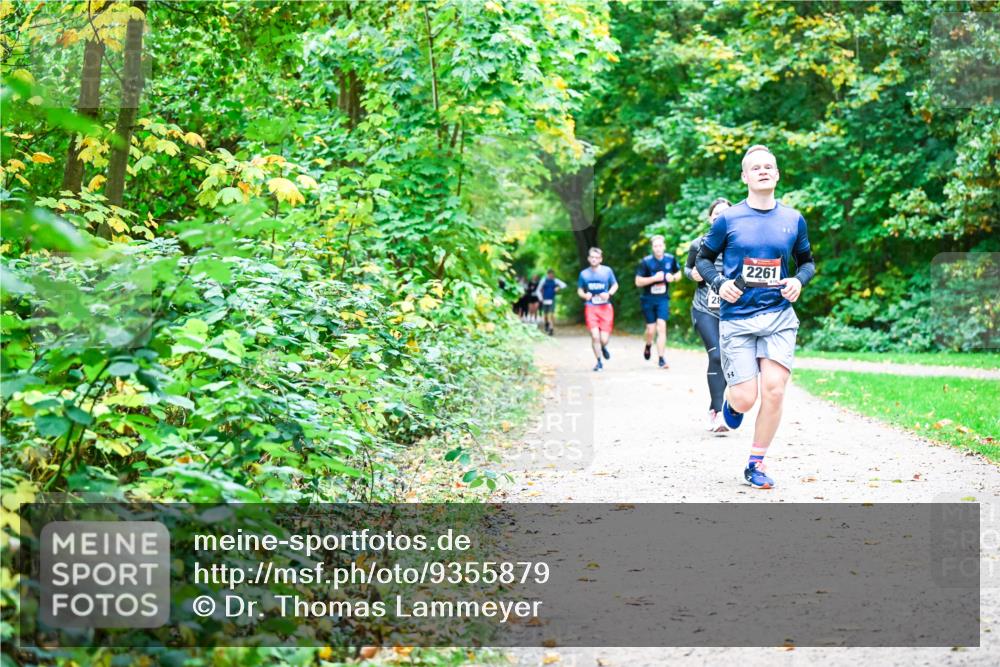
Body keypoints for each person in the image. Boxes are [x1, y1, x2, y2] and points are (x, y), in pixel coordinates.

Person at [696, 145, 816, 489]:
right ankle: (733, 406)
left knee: (775, 390)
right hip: (737, 318)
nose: (763, 171)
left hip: (779, 315)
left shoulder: (793, 219)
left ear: (777, 174)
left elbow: (807, 262)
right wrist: (720, 283)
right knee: (746, 397)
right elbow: (703, 260)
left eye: (769, 167)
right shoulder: (728, 219)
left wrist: (797, 280)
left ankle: (756, 463)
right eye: (756, 168)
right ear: (745, 177)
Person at [686, 197, 732, 432]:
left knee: (730, 359)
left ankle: (727, 405)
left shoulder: (740, 243)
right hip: (704, 309)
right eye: (717, 215)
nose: (720, 219)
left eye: (725, 214)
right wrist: (691, 274)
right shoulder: (699, 243)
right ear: (710, 218)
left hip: (732, 310)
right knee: (716, 355)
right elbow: (688, 268)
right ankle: (717, 411)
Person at [634, 235, 681, 368]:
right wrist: (654, 279)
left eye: (660, 245)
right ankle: (648, 344)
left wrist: (673, 277)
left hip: (662, 298)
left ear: (664, 246)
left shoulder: (670, 259)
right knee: (651, 330)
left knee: (661, 326)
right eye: (655, 246)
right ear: (652, 248)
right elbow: (638, 282)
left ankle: (661, 358)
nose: (658, 248)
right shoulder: (646, 262)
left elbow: (679, 273)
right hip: (648, 299)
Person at [577, 247, 618, 372]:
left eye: (596, 257)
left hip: (605, 308)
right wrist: (585, 295)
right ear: (589, 259)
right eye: (592, 257)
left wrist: (609, 294)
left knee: (604, 339)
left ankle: (603, 347)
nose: (594, 259)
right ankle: (599, 362)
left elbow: (615, 285)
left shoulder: (607, 271)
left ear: (600, 259)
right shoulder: (584, 274)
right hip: (591, 307)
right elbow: (579, 289)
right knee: (595, 336)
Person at [536, 269, 567, 335]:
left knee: (551, 314)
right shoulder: (543, 280)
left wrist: (558, 288)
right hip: (544, 300)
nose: (551, 276)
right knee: (545, 315)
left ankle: (551, 328)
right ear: (547, 274)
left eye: (552, 274)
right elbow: (538, 290)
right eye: (550, 274)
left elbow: (564, 285)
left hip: (552, 299)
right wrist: (541, 298)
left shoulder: (555, 280)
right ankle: (546, 324)